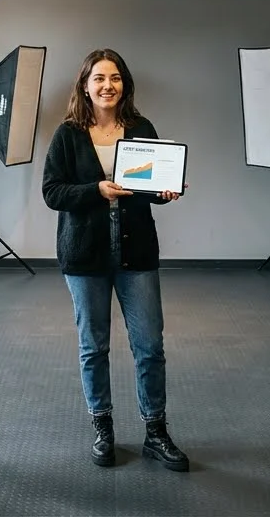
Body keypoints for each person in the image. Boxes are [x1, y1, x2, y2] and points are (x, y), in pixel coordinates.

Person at [41, 48, 188, 472]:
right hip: (84, 256)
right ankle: (103, 427)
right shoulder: (68, 134)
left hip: (136, 252)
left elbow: (152, 183)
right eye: (100, 78)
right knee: (94, 347)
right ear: (85, 85)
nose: (108, 86)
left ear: (125, 84)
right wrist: (96, 191)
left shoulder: (141, 128)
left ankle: (155, 431)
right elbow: (53, 193)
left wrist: (166, 190)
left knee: (150, 346)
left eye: (116, 78)